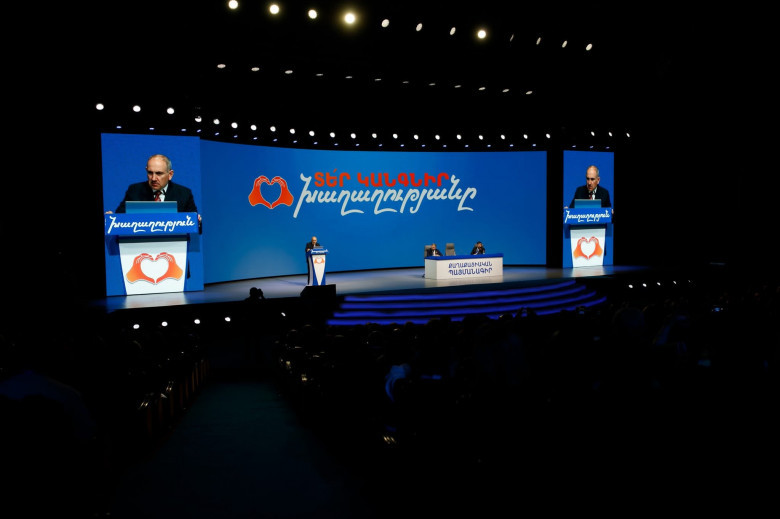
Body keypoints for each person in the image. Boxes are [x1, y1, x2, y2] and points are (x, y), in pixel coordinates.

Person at [107, 154, 202, 225]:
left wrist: (197, 222)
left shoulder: (184, 194)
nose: (153, 178)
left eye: (159, 173)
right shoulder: (134, 190)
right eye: (150, 173)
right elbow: (120, 219)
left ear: (170, 174)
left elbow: (194, 225)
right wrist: (112, 218)